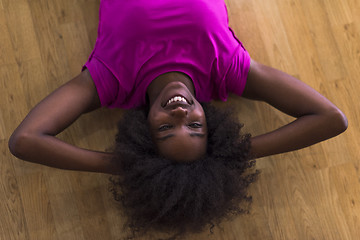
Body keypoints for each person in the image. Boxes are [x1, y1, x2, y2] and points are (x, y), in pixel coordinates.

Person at [8, 0, 348, 238]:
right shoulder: (227, 71)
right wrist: (234, 155)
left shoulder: (112, 80)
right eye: (195, 126)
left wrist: (124, 165)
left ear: (144, 129)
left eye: (166, 128)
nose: (180, 113)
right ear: (209, 123)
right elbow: (332, 119)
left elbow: (25, 140)